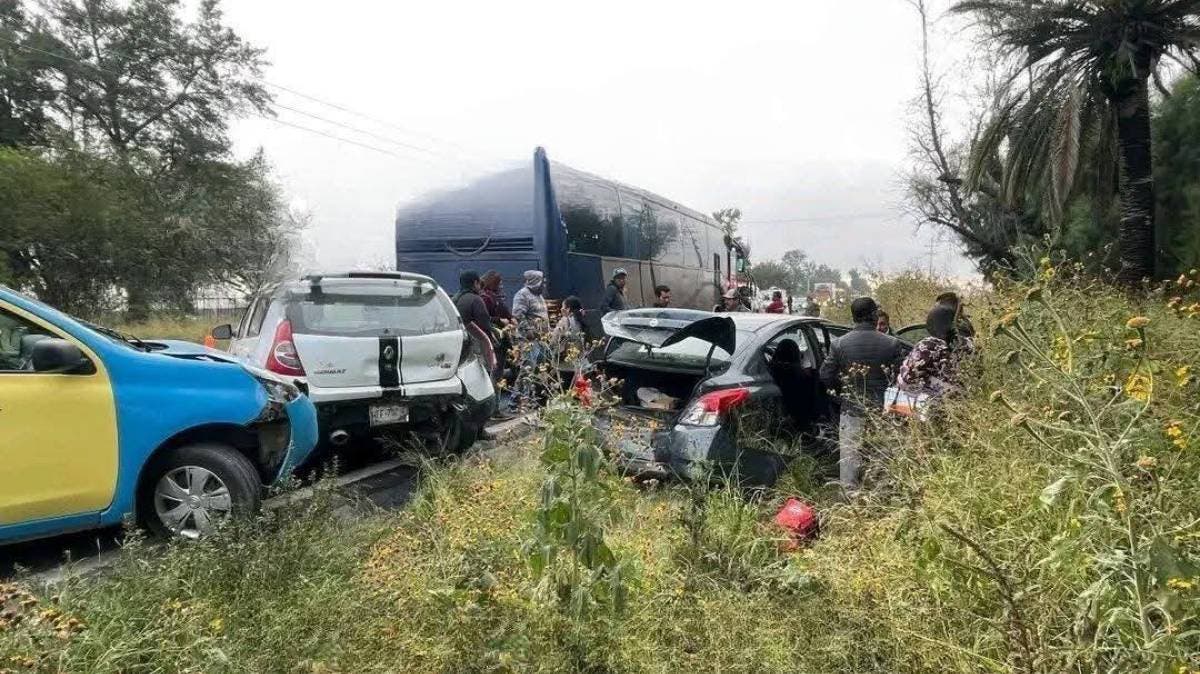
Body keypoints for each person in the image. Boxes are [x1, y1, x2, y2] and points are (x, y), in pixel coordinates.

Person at [818, 297, 907, 491]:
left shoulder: (839, 344)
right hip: (883, 412)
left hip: (851, 409)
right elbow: (902, 379)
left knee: (850, 458)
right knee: (882, 457)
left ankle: (849, 502)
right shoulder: (892, 344)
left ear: (854, 317)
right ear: (874, 315)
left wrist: (840, 394)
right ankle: (881, 498)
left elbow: (825, 375)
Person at [897, 304, 961, 400]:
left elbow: (909, 378)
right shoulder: (964, 344)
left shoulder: (927, 345)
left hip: (932, 405)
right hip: (961, 403)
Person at [454, 271, 493, 342]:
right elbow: (485, 325)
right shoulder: (476, 300)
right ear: (475, 283)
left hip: (458, 340)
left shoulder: (454, 299)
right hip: (473, 343)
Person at [511, 270, 549, 334]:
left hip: (542, 335)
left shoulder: (539, 295)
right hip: (530, 337)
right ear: (536, 282)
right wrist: (528, 330)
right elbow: (518, 315)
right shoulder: (522, 295)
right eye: (542, 283)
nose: (544, 286)